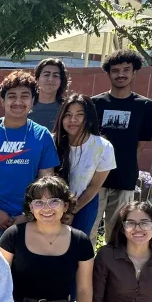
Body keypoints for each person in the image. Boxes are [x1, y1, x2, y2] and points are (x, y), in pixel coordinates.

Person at [0, 71, 59, 244]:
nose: (18, 102)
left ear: (33, 101)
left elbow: (46, 181)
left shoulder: (42, 135)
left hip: (30, 216)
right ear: (2, 101)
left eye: (24, 96)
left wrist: (29, 214)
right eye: (12, 96)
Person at [92, 49, 152, 240]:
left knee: (118, 234)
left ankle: (111, 270)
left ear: (134, 72)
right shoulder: (95, 103)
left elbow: (140, 145)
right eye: (115, 70)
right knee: (88, 231)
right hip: (95, 179)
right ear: (109, 73)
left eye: (126, 69)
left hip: (124, 179)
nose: (121, 74)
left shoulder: (144, 106)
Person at [53, 94, 115, 237]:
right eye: (67, 115)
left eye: (79, 115)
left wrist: (72, 210)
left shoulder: (103, 147)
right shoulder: (51, 141)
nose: (73, 120)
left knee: (77, 248)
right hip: (52, 205)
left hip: (83, 205)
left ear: (89, 118)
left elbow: (94, 186)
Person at [28, 58, 68, 130]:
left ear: (61, 81)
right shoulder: (26, 107)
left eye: (55, 76)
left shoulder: (67, 108)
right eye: (46, 75)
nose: (50, 79)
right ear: (37, 79)